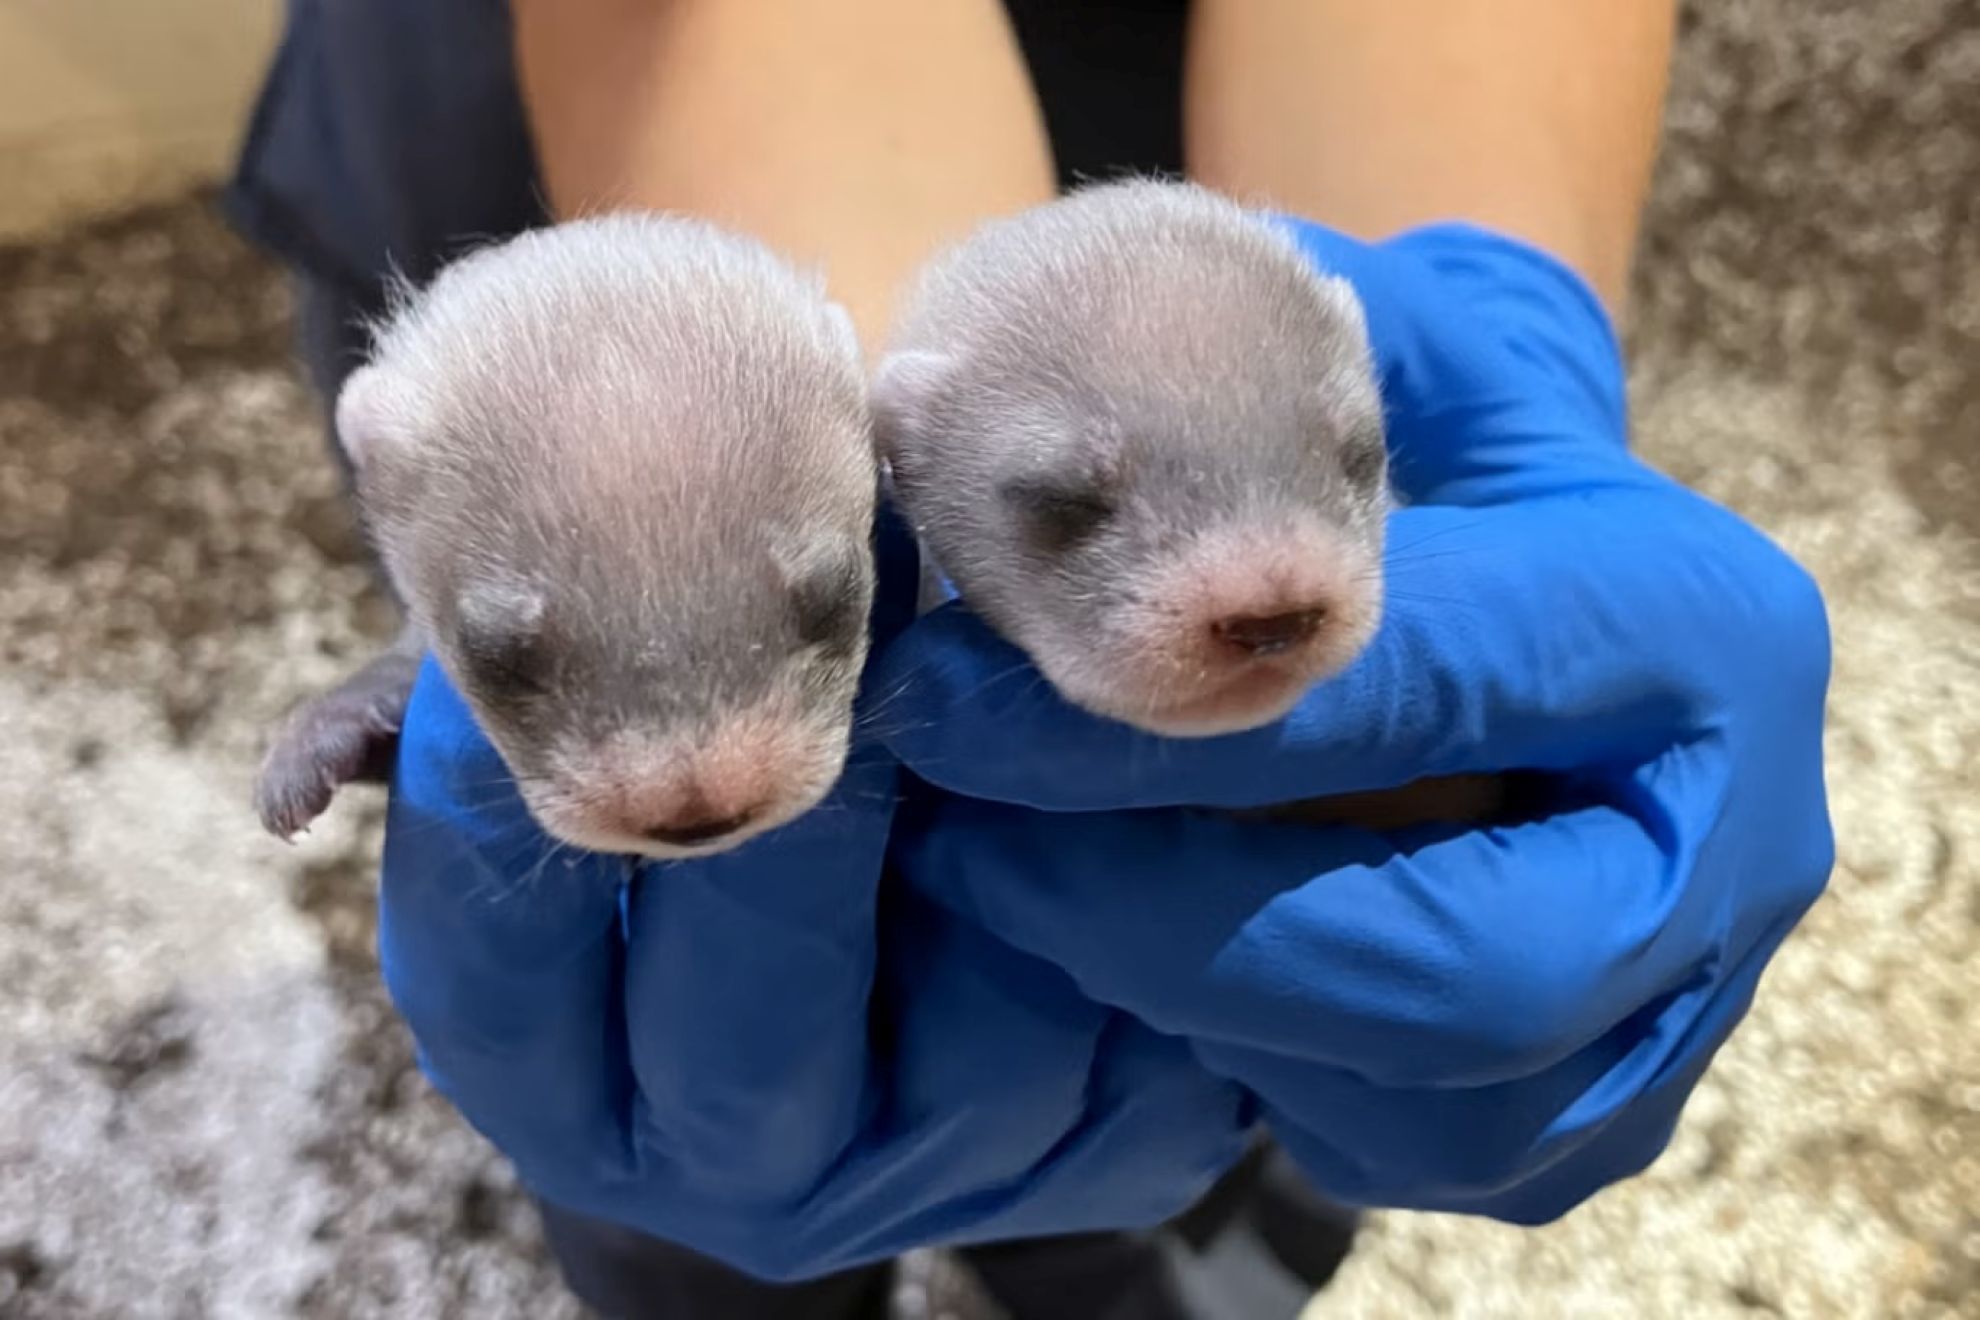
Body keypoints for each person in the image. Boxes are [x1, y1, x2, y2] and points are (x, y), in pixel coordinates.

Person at [223, 2, 1835, 1317]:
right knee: (679, 1107)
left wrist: (1501, 314)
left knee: (1209, 1072)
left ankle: (1147, 1256)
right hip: (613, 110)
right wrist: (827, 461)